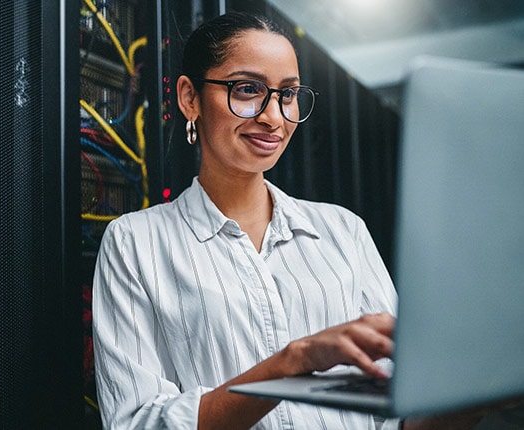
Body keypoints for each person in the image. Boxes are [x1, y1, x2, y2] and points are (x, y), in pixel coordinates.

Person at [91, 11, 491, 429]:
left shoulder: (342, 231)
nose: (274, 117)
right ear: (189, 97)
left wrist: (471, 395)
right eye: (247, 89)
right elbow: (136, 423)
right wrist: (293, 361)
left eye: (288, 94)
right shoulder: (136, 243)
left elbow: (398, 418)